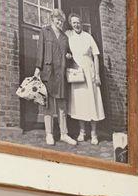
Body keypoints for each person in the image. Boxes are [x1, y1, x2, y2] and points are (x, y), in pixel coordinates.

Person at [34, 10, 75, 146]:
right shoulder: (45, 32)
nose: (60, 22)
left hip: (61, 74)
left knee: (62, 106)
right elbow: (40, 51)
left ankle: (64, 134)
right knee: (48, 105)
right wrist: (37, 68)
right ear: (52, 19)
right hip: (48, 72)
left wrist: (69, 56)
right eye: (58, 20)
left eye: (62, 21)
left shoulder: (64, 37)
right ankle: (49, 134)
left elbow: (68, 53)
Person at [65, 13, 106, 144]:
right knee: (80, 102)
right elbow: (66, 52)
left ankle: (94, 134)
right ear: (71, 24)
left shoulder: (88, 37)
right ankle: (82, 132)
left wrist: (97, 75)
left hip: (89, 72)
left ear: (81, 23)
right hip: (77, 73)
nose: (76, 25)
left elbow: (96, 56)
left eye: (78, 22)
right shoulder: (69, 37)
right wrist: (68, 56)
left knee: (92, 101)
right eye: (74, 23)